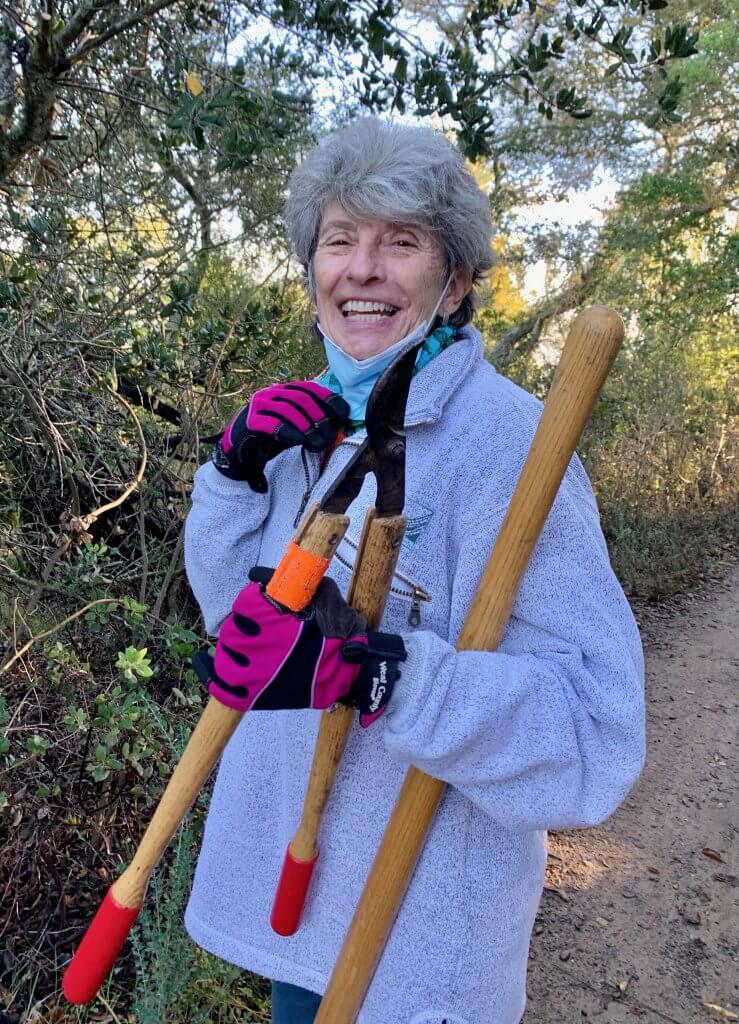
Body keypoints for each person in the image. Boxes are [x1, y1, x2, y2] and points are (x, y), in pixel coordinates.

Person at [183, 117, 645, 1024]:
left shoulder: (513, 447)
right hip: (296, 903)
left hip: (417, 943)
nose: (362, 268)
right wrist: (233, 481)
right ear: (311, 272)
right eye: (340, 240)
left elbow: (593, 739)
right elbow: (237, 632)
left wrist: (384, 675)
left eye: (401, 243)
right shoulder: (304, 425)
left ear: (455, 282)